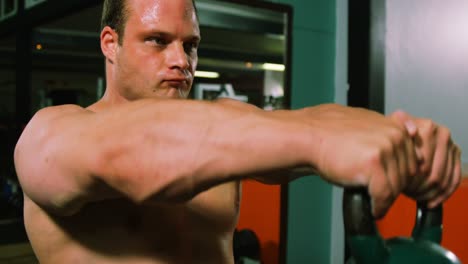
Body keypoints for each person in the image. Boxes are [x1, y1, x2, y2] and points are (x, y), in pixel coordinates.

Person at [13, 0, 461, 263]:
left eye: (190, 45)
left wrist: (399, 138)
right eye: (156, 40)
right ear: (110, 43)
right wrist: (323, 137)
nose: (180, 61)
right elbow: (135, 154)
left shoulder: (228, 129)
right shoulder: (53, 134)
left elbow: (288, 130)